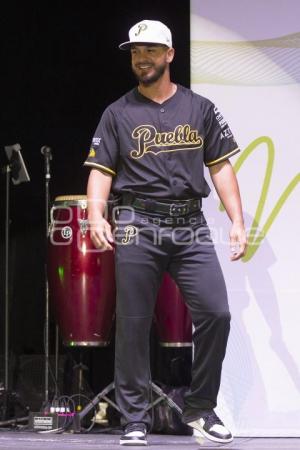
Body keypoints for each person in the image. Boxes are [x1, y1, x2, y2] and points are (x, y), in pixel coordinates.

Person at [84, 19, 247, 446]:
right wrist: (97, 215)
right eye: (137, 52)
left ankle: (200, 408)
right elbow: (101, 171)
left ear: (170, 55)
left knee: (216, 313)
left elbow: (221, 167)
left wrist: (238, 221)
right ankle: (135, 417)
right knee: (134, 324)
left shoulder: (200, 108)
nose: (143, 59)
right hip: (138, 223)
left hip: (190, 224)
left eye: (152, 51)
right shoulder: (117, 113)